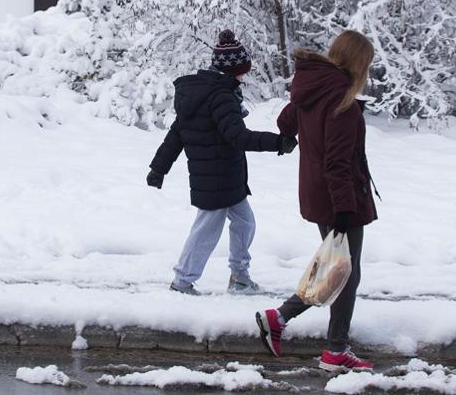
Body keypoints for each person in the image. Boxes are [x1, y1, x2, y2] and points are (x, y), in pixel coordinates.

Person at [255, 30, 378, 371]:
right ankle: (333, 350)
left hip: (318, 193)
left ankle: (281, 319)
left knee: (336, 268)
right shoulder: (342, 103)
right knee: (344, 274)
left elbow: (284, 124)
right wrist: (344, 210)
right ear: (359, 62)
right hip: (339, 200)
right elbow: (336, 164)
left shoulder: (314, 88)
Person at [147, 29, 298, 295]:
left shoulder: (206, 93)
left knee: (245, 223)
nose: (245, 76)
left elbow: (176, 134)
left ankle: (239, 276)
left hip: (227, 178)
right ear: (234, 71)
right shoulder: (220, 96)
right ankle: (182, 282)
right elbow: (238, 136)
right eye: (243, 71)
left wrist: (159, 168)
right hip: (215, 180)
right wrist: (278, 142)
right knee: (206, 231)